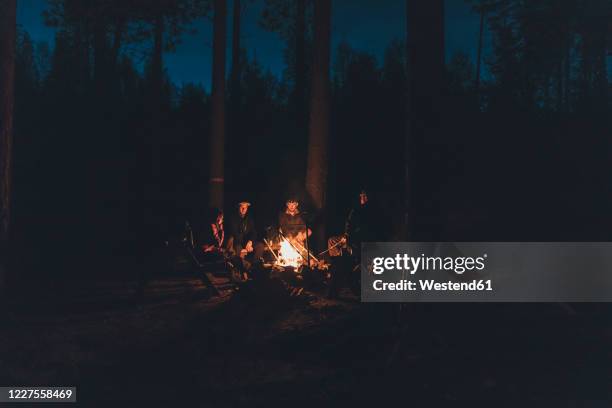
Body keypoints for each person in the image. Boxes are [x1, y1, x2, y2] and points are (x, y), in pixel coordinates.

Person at [226, 201, 264, 278]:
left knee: (260, 246)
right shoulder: (233, 218)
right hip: (237, 242)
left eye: (245, 207)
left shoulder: (249, 218)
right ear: (238, 207)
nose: (243, 209)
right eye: (241, 207)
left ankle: (253, 266)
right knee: (238, 250)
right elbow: (235, 234)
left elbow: (253, 232)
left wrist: (250, 242)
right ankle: (243, 270)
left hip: (247, 242)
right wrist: (245, 247)